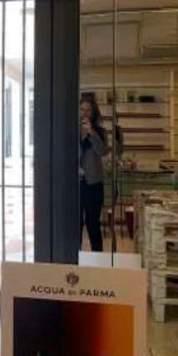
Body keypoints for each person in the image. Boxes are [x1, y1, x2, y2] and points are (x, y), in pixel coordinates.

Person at [80, 97, 110, 252]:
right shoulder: (72, 130)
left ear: (93, 113)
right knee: (75, 223)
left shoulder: (100, 132)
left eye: (88, 110)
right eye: (82, 109)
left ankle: (98, 259)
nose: (84, 113)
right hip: (76, 184)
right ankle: (74, 259)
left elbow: (103, 151)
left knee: (93, 224)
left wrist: (91, 132)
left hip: (94, 183)